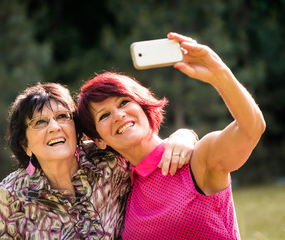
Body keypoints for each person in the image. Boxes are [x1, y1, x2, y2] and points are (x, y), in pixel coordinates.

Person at [77, 32, 266, 239]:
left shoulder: (196, 159)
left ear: (143, 106)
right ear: (98, 140)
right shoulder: (120, 186)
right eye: (104, 115)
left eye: (124, 102)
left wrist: (218, 73)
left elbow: (252, 128)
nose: (118, 115)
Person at [0, 82, 198, 239]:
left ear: (76, 130)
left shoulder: (109, 159)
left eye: (62, 116)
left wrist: (184, 135)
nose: (54, 127)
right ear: (25, 145)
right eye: (40, 122)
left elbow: (147, 148)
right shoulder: (13, 193)